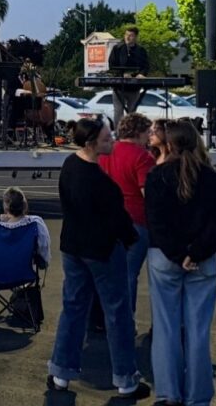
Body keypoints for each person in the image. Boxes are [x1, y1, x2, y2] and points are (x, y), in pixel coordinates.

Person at [47, 118, 150, 399]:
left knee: (73, 308)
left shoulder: (69, 165)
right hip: (102, 251)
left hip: (73, 246)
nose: (112, 142)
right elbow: (119, 222)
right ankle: (125, 378)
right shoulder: (101, 184)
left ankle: (61, 372)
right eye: (107, 139)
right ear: (92, 144)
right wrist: (131, 239)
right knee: (117, 313)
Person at [145, 120, 216, 406]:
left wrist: (178, 253)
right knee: (198, 331)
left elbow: (155, 222)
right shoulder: (214, 179)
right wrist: (196, 252)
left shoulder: (157, 177)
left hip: (165, 259)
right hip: (203, 261)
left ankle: (168, 393)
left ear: (170, 145)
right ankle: (198, 396)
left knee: (166, 328)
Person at [98, 112, 155, 316]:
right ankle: (124, 321)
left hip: (108, 221)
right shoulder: (143, 157)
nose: (149, 137)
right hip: (136, 221)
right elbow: (148, 193)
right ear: (138, 133)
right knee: (129, 275)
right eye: (147, 132)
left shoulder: (106, 153)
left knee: (109, 273)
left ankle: (106, 318)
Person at [107, 26, 150, 126]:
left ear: (135, 37)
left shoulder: (141, 50)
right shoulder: (117, 48)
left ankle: (131, 133)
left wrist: (141, 74)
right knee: (118, 112)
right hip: (119, 86)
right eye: (126, 35)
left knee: (132, 113)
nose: (127, 37)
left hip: (134, 87)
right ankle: (118, 135)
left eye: (131, 35)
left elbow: (146, 66)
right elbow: (112, 66)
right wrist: (123, 74)